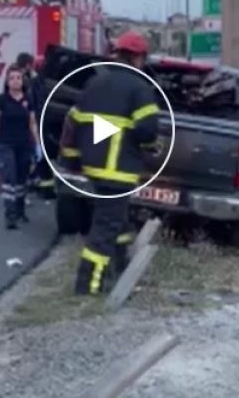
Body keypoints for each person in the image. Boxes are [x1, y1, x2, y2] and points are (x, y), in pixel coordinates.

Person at [58, 32, 160, 295]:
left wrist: (70, 159)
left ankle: (119, 266)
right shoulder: (140, 88)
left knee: (117, 222)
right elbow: (147, 130)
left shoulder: (94, 83)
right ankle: (87, 287)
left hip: (92, 168)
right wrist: (149, 146)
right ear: (137, 57)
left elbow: (75, 122)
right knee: (103, 229)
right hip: (119, 170)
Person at [0, 66, 42, 229]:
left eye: (18, 77)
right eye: (12, 78)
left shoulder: (28, 100)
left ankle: (20, 211)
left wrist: (38, 145)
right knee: (9, 178)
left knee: (21, 179)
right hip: (6, 144)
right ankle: (10, 215)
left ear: (22, 80)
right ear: (7, 81)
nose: (15, 81)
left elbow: (32, 124)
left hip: (24, 145)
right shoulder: (1, 100)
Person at [29, 54, 57, 200]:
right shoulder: (51, 82)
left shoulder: (33, 83)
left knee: (42, 157)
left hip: (39, 124)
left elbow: (31, 105)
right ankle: (46, 188)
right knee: (47, 158)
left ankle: (43, 186)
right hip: (48, 124)